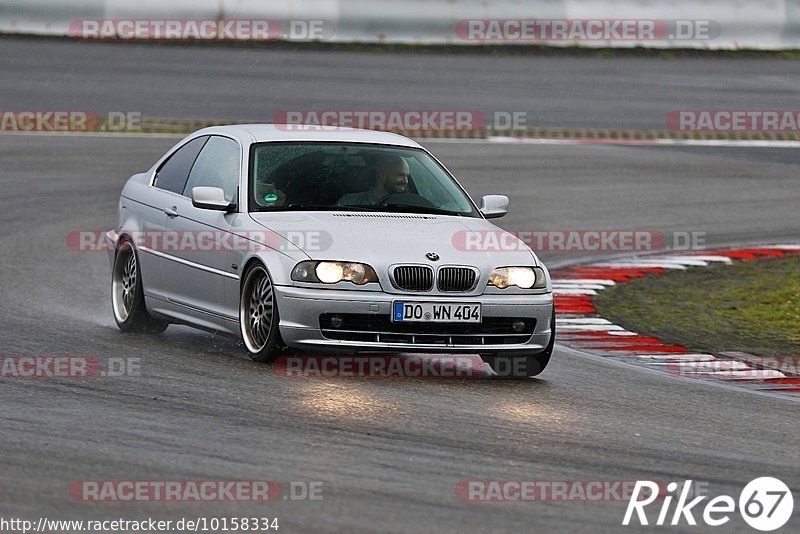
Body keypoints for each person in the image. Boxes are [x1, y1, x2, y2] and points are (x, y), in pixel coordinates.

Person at [337, 155, 410, 206]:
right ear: (382, 175)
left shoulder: (409, 205)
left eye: (407, 176)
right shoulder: (350, 202)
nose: (406, 181)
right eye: (400, 175)